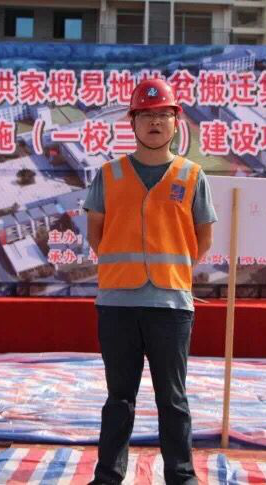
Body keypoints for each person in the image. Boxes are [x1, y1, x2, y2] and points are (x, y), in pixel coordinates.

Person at [84, 78, 217, 484]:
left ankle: (181, 476)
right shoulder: (109, 174)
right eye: (146, 115)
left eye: (163, 115)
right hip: (117, 305)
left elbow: (203, 238)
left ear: (176, 122)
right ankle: (108, 477)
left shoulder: (192, 175)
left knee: (172, 399)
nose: (155, 123)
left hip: (170, 305)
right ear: (132, 122)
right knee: (119, 399)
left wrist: (170, 271)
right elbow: (96, 234)